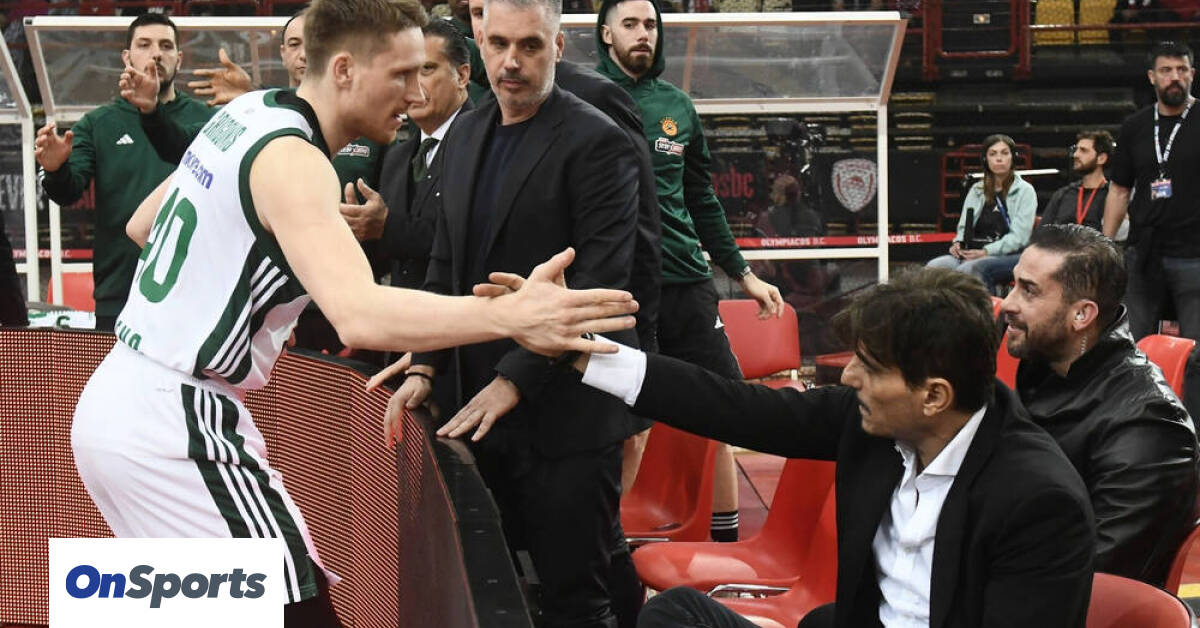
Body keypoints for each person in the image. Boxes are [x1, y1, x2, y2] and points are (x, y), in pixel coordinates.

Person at [70, 0, 638, 626]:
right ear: (344, 70)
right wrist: (513, 317)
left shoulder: (246, 111)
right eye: (402, 75)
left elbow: (144, 224)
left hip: (123, 401)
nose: (415, 94)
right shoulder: (295, 159)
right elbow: (360, 317)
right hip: (176, 420)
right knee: (299, 612)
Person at [510, 267, 1095, 628]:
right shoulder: (873, 424)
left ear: (934, 395)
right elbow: (732, 407)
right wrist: (581, 350)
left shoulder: (1038, 501)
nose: (848, 378)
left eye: (869, 367)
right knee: (675, 614)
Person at [390, 0, 643, 624]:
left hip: (566, 417)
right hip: (475, 412)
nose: (510, 61)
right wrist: (424, 363)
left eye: (529, 45)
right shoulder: (466, 132)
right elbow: (446, 261)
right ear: (479, 42)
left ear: (558, 46)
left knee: (574, 601)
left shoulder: (599, 141)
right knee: (491, 596)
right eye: (498, 43)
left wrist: (513, 380)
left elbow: (600, 286)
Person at [595, 0, 785, 543]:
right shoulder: (586, 99)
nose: (643, 34)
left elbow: (701, 198)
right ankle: (617, 551)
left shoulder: (677, 106)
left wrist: (743, 273)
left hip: (687, 285)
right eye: (630, 24)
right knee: (628, 428)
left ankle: (727, 543)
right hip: (621, 291)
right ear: (606, 34)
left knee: (723, 412)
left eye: (650, 25)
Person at [1000, 224, 1198, 586]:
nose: (1008, 304)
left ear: (1082, 315)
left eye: (1028, 291)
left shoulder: (1148, 426)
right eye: (1013, 285)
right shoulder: (1043, 371)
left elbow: (1096, 575)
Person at [35, 13, 213, 331]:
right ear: (127, 57)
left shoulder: (208, 119)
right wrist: (55, 168)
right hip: (119, 293)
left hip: (195, 290)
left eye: (166, 46)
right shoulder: (98, 123)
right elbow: (68, 192)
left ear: (179, 58)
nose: (156, 54)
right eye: (144, 45)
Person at [1102, 41, 1200, 418]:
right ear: (1151, 77)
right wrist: (1106, 244)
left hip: (1194, 253)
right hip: (1143, 253)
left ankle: (1190, 429)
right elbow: (1119, 189)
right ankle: (1137, 422)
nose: (1175, 77)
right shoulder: (1135, 126)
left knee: (1194, 353)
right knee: (1132, 347)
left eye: (1182, 69)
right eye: (1166, 70)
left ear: (1192, 74)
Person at [373, 19, 472, 290]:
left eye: (426, 69)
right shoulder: (396, 157)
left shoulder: (487, 145)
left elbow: (469, 239)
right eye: (405, 73)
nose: (413, 86)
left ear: (462, 76)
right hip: (401, 309)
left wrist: (387, 226)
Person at [926, 134, 1037, 294]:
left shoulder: (1025, 191)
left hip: (1010, 255)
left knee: (970, 269)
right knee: (934, 268)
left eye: (1004, 153)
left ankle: (983, 310)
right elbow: (963, 226)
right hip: (973, 252)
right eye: (993, 154)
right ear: (985, 159)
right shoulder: (977, 190)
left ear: (1013, 157)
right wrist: (958, 243)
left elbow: (1019, 238)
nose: (999, 158)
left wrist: (986, 252)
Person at [1040, 131, 1112, 231]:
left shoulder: (1111, 197)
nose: (1075, 155)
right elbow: (1042, 233)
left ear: (1101, 158)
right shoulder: (1063, 194)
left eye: (1083, 150)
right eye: (1076, 150)